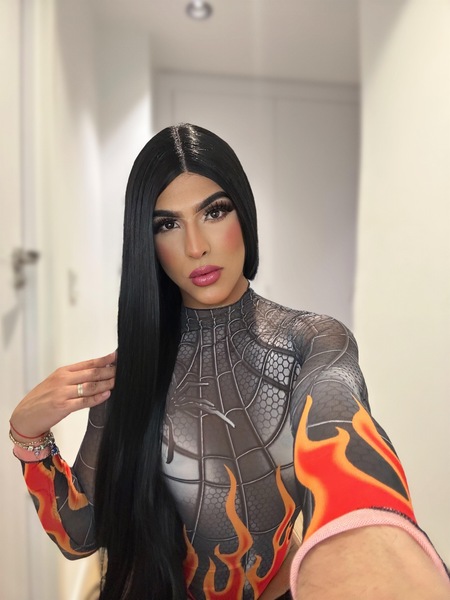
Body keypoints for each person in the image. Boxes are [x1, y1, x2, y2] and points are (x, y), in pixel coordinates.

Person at [10, 124, 450, 600]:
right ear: (147, 242)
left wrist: (369, 532)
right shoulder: (133, 369)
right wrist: (27, 436)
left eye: (214, 212)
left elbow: (338, 420)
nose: (195, 246)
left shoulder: (312, 342)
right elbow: (79, 538)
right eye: (167, 224)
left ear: (244, 211)